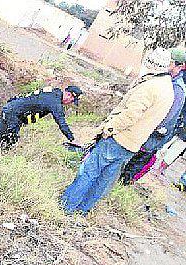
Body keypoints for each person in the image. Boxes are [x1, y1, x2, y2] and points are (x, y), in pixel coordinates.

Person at [61, 48, 177, 214]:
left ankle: (66, 206)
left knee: (89, 172)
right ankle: (82, 210)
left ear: (149, 63)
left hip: (118, 138)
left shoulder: (150, 86)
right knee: (103, 181)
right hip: (133, 144)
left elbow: (130, 115)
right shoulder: (168, 89)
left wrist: (108, 130)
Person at [120, 50, 185, 184]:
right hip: (143, 132)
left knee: (130, 170)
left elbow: (166, 119)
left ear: (178, 66)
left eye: (170, 62)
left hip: (152, 137)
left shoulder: (178, 89)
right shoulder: (165, 79)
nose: (166, 65)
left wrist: (145, 127)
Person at [0, 85, 82, 161]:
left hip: (16, 114)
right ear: (68, 95)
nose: (70, 103)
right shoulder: (54, 102)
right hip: (12, 113)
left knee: (11, 139)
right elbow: (61, 122)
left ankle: (2, 158)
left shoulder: (54, 93)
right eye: (72, 100)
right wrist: (72, 138)